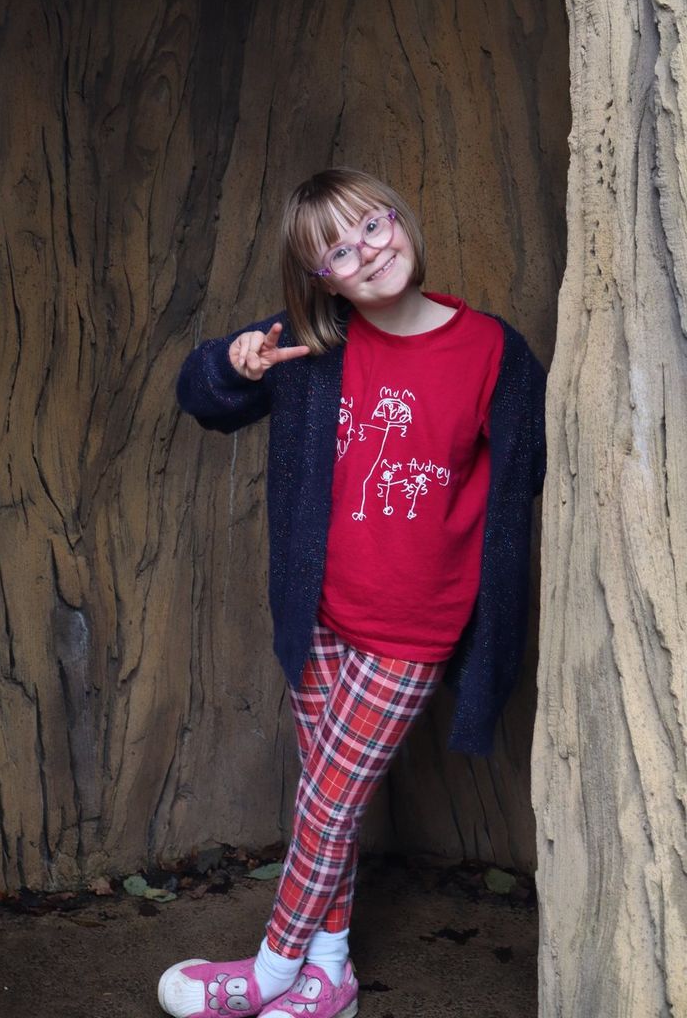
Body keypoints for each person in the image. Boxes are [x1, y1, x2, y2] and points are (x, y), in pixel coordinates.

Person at [159, 168, 546, 1018]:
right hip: (319, 616)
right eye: (336, 250)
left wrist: (491, 625)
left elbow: (522, 485)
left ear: (402, 222)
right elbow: (204, 398)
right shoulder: (312, 341)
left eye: (372, 227)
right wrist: (231, 364)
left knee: (328, 807)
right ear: (320, 278)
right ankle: (329, 972)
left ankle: (267, 969)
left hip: (416, 623)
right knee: (321, 801)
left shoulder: (493, 351)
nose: (365, 252)